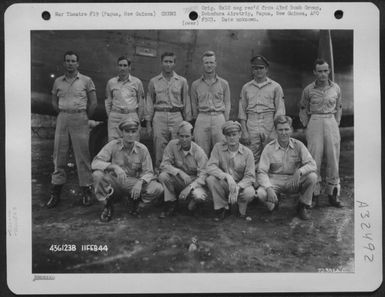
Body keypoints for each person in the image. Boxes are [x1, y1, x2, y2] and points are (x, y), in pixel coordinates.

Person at [46, 51, 97, 208]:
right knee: (58, 155)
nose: (70, 63)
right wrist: (63, 113)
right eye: (67, 60)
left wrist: (83, 117)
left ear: (78, 64)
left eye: (73, 61)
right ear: (64, 63)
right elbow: (54, 102)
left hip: (80, 118)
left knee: (82, 155)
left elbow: (93, 103)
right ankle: (56, 193)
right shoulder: (58, 82)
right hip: (63, 118)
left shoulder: (86, 81)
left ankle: (86, 191)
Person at [91, 119, 163, 222]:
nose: (130, 135)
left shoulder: (142, 149)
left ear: (137, 133)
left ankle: (136, 203)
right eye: (127, 131)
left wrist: (140, 182)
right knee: (97, 175)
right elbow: (95, 163)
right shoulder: (113, 145)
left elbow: (149, 172)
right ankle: (107, 205)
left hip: (132, 182)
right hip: (116, 181)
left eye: (133, 132)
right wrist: (114, 167)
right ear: (122, 133)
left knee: (157, 188)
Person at [299, 58, 343, 208]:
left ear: (329, 71)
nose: (323, 74)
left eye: (325, 71)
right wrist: (306, 125)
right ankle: (314, 193)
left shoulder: (336, 88)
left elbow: (339, 106)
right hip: (315, 121)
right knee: (314, 157)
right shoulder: (308, 90)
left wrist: (336, 122)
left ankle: (333, 193)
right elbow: (303, 108)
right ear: (314, 72)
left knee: (333, 158)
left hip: (330, 120)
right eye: (320, 71)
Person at [256, 115, 317, 220]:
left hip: (292, 180)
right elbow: (261, 171)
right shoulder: (269, 148)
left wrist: (300, 171)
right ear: (276, 131)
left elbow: (312, 164)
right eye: (280, 130)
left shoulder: (298, 145)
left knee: (312, 177)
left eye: (286, 129)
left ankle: (303, 205)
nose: (283, 133)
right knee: (261, 193)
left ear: (291, 130)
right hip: (275, 181)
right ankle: (275, 201)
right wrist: (269, 188)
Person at [145, 52, 191, 169]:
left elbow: (186, 101)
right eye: (166, 61)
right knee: (159, 146)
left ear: (174, 64)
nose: (168, 64)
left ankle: (176, 173)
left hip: (176, 115)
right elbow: (150, 102)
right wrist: (148, 123)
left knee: (177, 146)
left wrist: (187, 123)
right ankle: (159, 171)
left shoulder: (182, 81)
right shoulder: (154, 81)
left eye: (171, 62)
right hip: (159, 115)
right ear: (161, 63)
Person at [238, 55, 285, 169]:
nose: (258, 71)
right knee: (250, 156)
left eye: (261, 68)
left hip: (269, 122)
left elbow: (280, 111)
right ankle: (252, 182)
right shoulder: (246, 87)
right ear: (252, 70)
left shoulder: (276, 87)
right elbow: (242, 111)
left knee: (270, 155)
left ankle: (267, 183)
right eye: (255, 68)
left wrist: (275, 131)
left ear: (266, 69)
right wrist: (244, 131)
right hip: (252, 122)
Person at [206, 121, 255, 221]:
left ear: (240, 135)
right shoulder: (218, 148)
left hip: (240, 186)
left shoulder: (247, 153)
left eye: (234, 134)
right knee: (211, 179)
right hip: (226, 184)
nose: (231, 138)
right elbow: (210, 166)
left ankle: (240, 209)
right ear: (225, 136)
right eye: (228, 135)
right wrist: (226, 176)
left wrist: (238, 187)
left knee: (250, 192)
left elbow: (250, 176)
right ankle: (223, 208)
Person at [158, 121, 209, 217]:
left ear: (192, 136)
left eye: (187, 136)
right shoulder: (172, 145)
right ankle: (171, 202)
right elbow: (164, 164)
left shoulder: (199, 152)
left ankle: (197, 205)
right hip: (180, 179)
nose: (184, 139)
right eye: (181, 136)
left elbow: (203, 176)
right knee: (163, 176)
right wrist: (180, 172)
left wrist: (189, 188)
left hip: (194, 183)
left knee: (198, 197)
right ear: (178, 136)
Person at [191, 50, 231, 157]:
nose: (209, 65)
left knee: (221, 148)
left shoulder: (224, 83)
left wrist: (225, 119)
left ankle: (218, 173)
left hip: (219, 117)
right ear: (202, 64)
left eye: (211, 62)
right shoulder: (195, 84)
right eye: (206, 63)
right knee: (201, 150)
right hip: (202, 117)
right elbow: (194, 104)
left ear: (215, 64)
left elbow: (227, 102)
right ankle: (203, 172)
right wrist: (196, 118)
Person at [105, 56, 145, 141]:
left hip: (131, 115)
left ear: (129, 67)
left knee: (132, 142)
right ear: (117, 67)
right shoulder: (111, 82)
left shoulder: (137, 82)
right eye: (120, 65)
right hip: (115, 116)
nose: (122, 68)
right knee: (113, 143)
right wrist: (111, 115)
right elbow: (108, 101)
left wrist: (138, 119)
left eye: (125, 65)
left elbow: (141, 103)